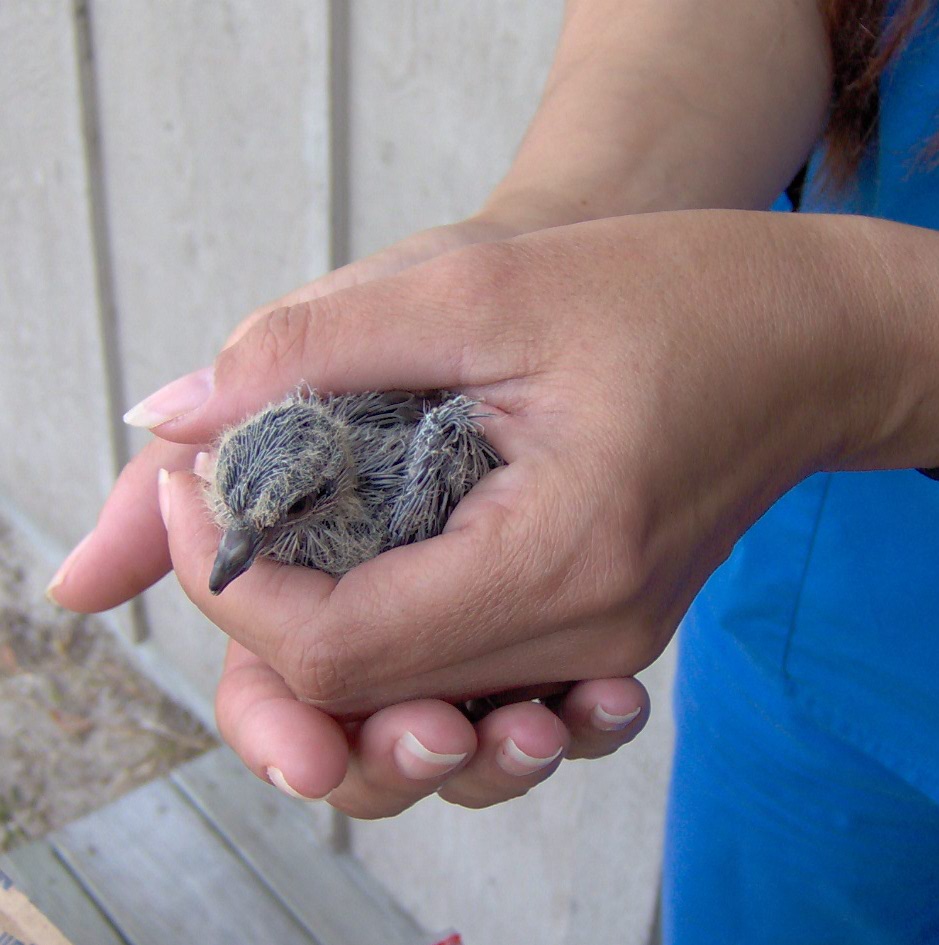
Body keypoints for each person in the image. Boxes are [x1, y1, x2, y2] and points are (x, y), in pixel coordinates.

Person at [46, 0, 939, 940]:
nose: (239, 554)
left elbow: (439, 446)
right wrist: (541, 238)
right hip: (801, 636)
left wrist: (851, 346)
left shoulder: (400, 487)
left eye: (288, 512)